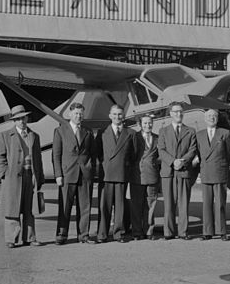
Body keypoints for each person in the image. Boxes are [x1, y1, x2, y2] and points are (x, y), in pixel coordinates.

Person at [0, 104, 44, 248]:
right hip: (13, 178)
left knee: (29, 208)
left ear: (27, 118)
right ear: (14, 121)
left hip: (30, 175)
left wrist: (39, 177)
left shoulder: (34, 135)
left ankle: (30, 237)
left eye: (23, 118)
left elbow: (38, 158)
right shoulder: (5, 136)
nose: (22, 121)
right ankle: (12, 239)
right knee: (12, 208)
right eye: (18, 119)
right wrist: (5, 173)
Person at [52, 101, 97, 245]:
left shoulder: (88, 131)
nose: (78, 116)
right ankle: (61, 235)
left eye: (81, 114)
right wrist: (58, 174)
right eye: (76, 113)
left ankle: (83, 235)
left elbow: (92, 153)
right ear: (70, 114)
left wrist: (91, 168)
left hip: (84, 174)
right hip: (67, 174)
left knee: (85, 206)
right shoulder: (60, 131)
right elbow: (56, 155)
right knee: (65, 206)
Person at [95, 104, 136, 243]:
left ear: (123, 116)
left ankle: (119, 234)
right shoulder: (102, 133)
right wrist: (106, 164)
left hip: (122, 174)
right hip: (107, 174)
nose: (117, 117)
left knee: (120, 206)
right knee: (104, 206)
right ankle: (102, 234)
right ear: (109, 116)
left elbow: (133, 154)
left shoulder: (130, 133)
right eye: (114, 114)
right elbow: (98, 153)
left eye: (120, 114)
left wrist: (125, 167)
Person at [157, 101, 198, 240]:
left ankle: (183, 232)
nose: (179, 114)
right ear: (170, 114)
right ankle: (168, 232)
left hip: (184, 171)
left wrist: (182, 162)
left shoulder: (191, 131)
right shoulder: (163, 131)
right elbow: (161, 150)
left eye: (180, 111)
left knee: (183, 203)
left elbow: (193, 149)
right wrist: (172, 161)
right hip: (168, 172)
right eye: (175, 112)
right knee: (168, 203)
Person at [194, 108, 230, 241]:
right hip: (206, 172)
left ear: (217, 118)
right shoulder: (199, 134)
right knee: (207, 204)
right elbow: (199, 154)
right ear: (205, 119)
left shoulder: (225, 133)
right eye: (209, 116)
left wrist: (223, 165)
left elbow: (228, 154)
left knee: (220, 203)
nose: (212, 118)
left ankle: (222, 231)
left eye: (214, 116)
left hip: (220, 171)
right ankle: (207, 231)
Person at [130, 114, 160, 240]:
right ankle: (137, 232)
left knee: (151, 204)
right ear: (140, 125)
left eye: (150, 123)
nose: (148, 125)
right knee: (136, 204)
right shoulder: (134, 137)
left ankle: (149, 231)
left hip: (152, 175)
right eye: (145, 123)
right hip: (137, 174)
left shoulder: (157, 138)